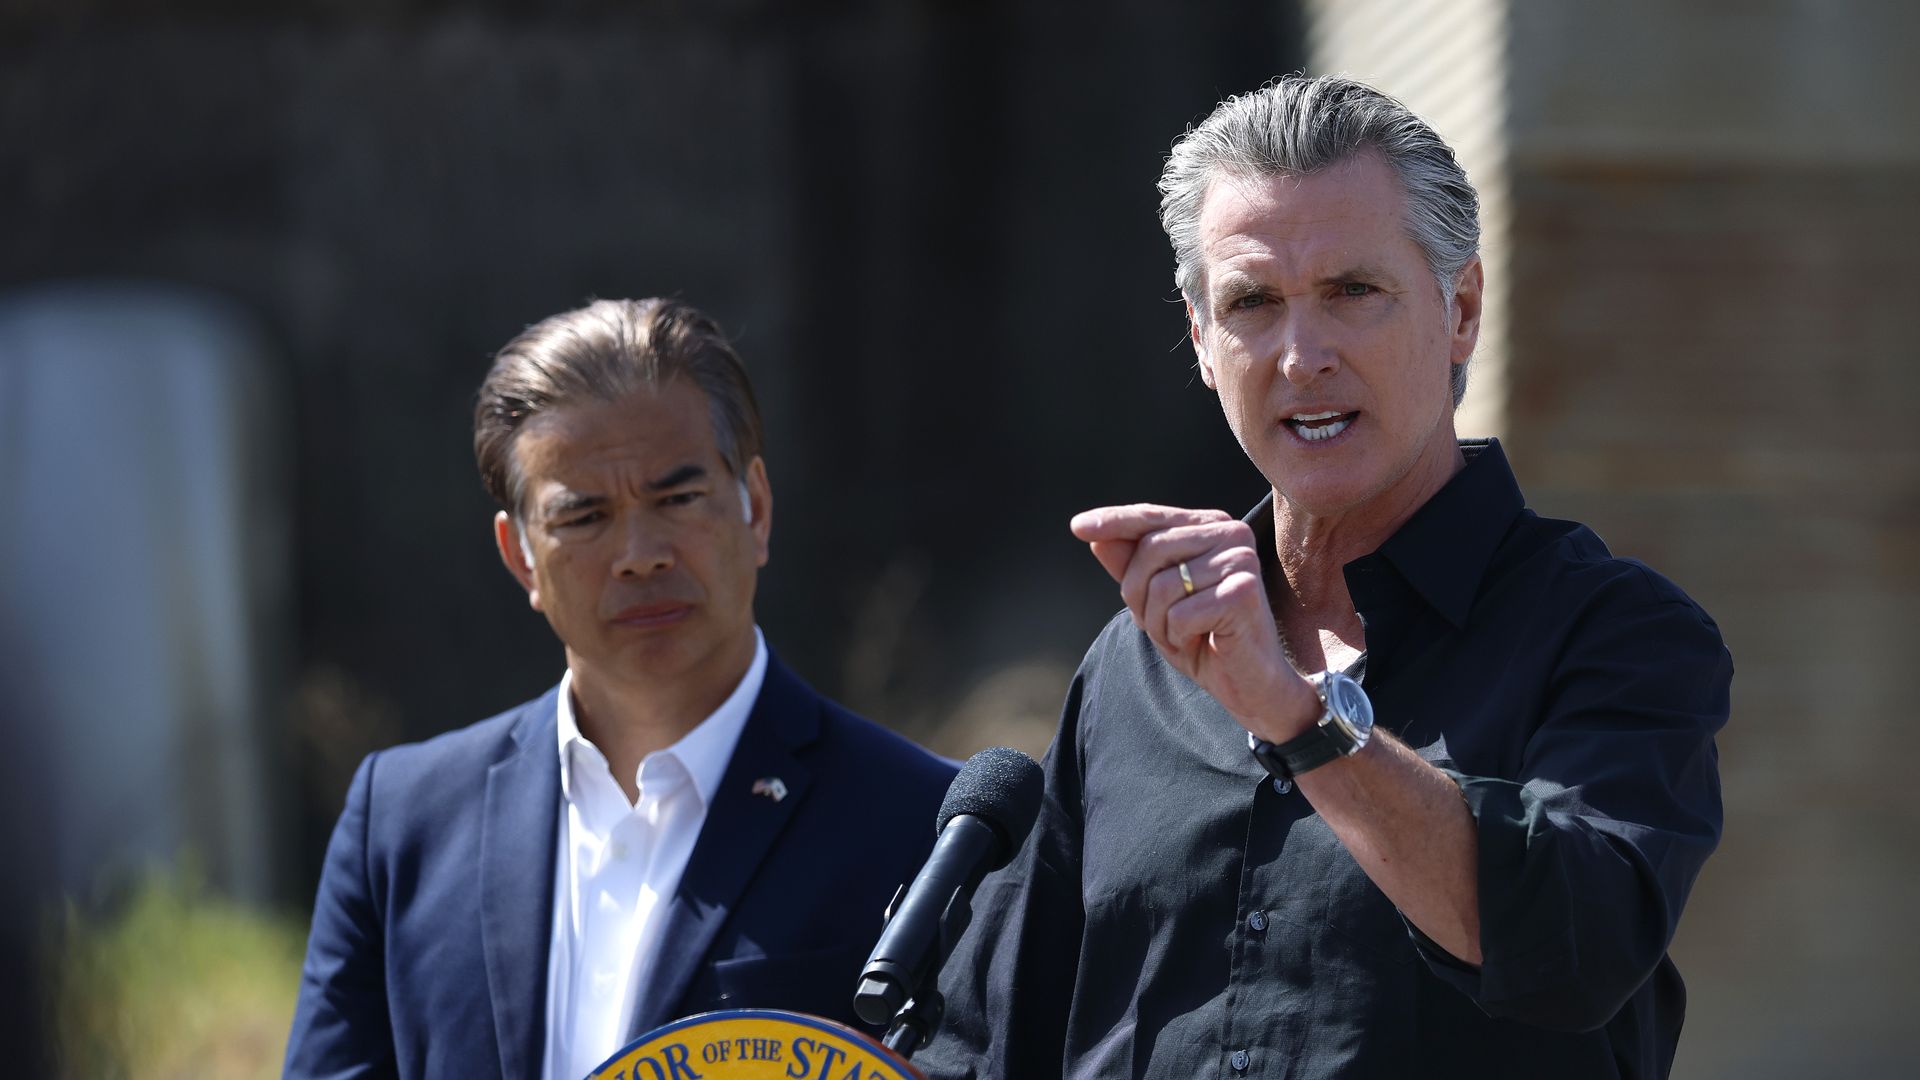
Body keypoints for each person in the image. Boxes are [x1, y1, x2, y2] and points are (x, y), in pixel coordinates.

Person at [917, 75, 1730, 1079]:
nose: (1303, 357)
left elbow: (1573, 950)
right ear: (1202, 343)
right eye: (1252, 303)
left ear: (1462, 310)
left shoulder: (1615, 632)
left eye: (1353, 292)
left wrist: (1300, 720)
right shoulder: (1138, 661)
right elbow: (982, 1045)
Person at [285, 298, 958, 1080]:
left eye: (678, 499)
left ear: (757, 509)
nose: (640, 554)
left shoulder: (930, 827)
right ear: (521, 557)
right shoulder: (403, 825)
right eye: (584, 517)